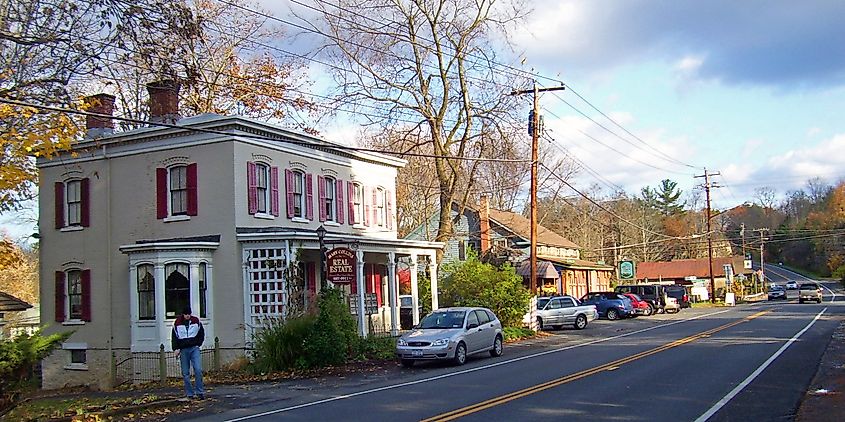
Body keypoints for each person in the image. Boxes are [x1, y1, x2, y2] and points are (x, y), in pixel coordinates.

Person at [172, 306, 205, 399]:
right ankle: (189, 393)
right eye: (186, 314)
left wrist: (198, 344)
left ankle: (200, 392)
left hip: (194, 348)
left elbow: (201, 333)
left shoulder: (196, 321)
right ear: (183, 314)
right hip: (183, 349)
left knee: (198, 370)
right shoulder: (177, 323)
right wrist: (176, 348)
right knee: (185, 373)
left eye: (189, 314)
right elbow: (174, 336)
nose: (188, 316)